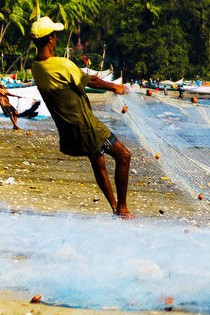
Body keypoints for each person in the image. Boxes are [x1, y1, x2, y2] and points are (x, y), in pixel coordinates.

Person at [29, 16, 133, 218]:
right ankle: (123, 208)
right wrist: (115, 87)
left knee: (98, 161)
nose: (56, 38)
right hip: (84, 123)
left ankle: (115, 207)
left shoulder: (35, 67)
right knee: (124, 156)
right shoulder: (61, 64)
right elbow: (90, 80)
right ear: (51, 38)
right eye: (55, 35)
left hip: (68, 127)